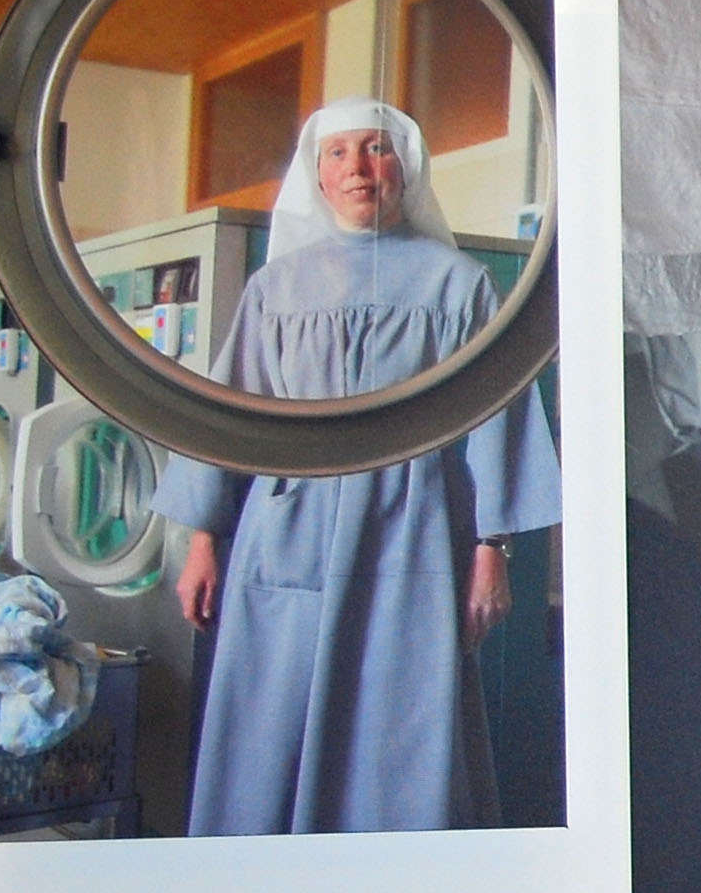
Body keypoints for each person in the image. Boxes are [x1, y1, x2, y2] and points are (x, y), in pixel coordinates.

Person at [158, 100, 560, 832]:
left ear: (405, 168)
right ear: (316, 174)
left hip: (408, 532)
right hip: (287, 529)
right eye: (339, 153)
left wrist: (491, 553)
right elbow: (230, 417)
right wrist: (202, 539)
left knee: (400, 723)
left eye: (376, 149)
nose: (358, 169)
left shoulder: (457, 284)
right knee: (269, 722)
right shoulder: (274, 290)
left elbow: (497, 421)